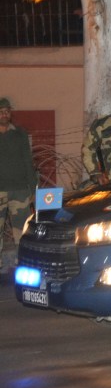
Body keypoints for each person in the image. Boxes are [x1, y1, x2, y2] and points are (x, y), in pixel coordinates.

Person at [0, 97, 37, 268]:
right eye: (1, 111)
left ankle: (22, 265)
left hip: (20, 190)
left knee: (21, 231)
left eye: (7, 111)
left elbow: (28, 161)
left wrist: (33, 188)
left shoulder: (20, 134)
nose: (4, 114)